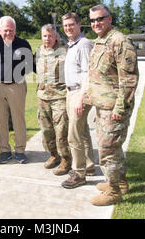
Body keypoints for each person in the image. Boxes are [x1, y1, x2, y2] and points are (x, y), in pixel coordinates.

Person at [85, 4, 139, 206]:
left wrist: (120, 109)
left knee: (107, 150)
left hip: (114, 108)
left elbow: (129, 80)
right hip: (102, 106)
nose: (96, 23)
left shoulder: (120, 42)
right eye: (92, 20)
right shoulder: (100, 41)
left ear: (110, 18)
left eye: (100, 18)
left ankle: (113, 191)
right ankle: (120, 182)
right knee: (113, 148)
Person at [0, 16, 33, 164]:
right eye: (5, 30)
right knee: (1, 120)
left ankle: (20, 150)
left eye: (11, 30)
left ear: (15, 30)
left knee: (18, 119)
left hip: (17, 86)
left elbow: (29, 65)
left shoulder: (23, 44)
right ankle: (4, 150)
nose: (8, 33)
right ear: (0, 30)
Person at [61, 12, 95, 189]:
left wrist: (81, 99)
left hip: (79, 93)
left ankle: (79, 173)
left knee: (73, 134)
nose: (68, 28)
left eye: (71, 25)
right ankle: (88, 165)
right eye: (65, 25)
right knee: (82, 131)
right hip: (71, 92)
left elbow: (88, 74)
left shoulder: (83, 44)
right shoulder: (73, 44)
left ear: (79, 25)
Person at [35, 24, 71, 175]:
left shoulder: (66, 51)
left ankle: (66, 159)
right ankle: (53, 155)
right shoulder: (39, 51)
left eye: (50, 36)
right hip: (43, 97)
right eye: (45, 36)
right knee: (46, 130)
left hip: (59, 97)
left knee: (61, 130)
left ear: (56, 36)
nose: (47, 38)